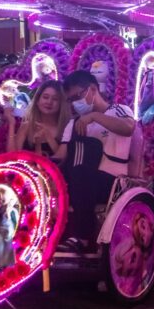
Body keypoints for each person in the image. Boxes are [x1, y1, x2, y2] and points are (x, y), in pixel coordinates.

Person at [59, 70, 136, 251]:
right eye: (70, 100)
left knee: (82, 173)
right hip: (83, 179)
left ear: (92, 89)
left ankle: (82, 237)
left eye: (77, 96)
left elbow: (128, 128)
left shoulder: (119, 111)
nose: (74, 103)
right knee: (67, 173)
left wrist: (94, 117)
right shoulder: (75, 123)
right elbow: (62, 155)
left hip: (113, 182)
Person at [3, 80, 70, 157]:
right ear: (37, 101)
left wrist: (48, 137)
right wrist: (12, 123)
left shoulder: (67, 128)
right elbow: (12, 156)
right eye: (45, 97)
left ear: (61, 104)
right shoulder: (26, 127)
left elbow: (64, 159)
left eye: (55, 99)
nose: (49, 102)